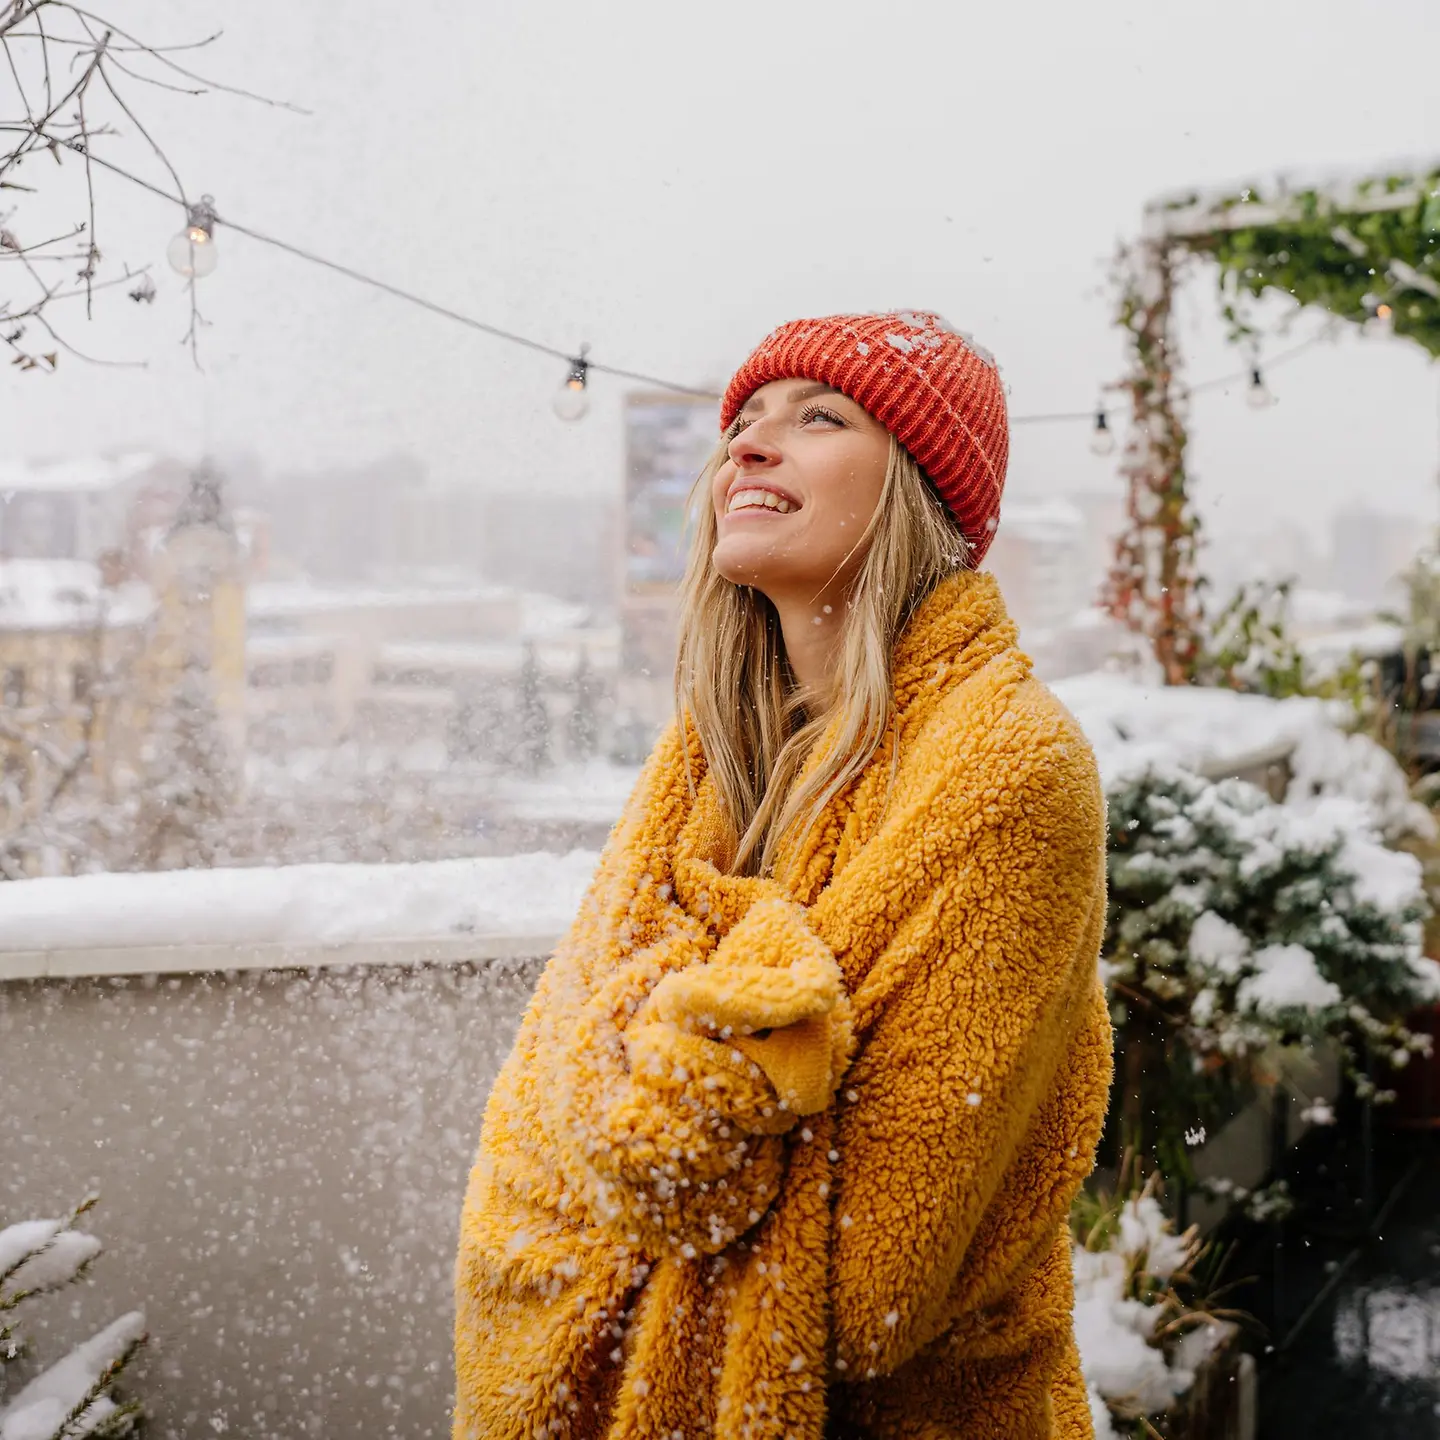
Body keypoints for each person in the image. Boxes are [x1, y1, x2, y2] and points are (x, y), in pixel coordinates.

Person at [455, 310, 1112, 1439]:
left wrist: (680, 1074)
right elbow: (533, 1132)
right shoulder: (709, 759)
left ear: (920, 490)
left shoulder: (1013, 771)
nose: (749, 446)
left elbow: (869, 1288)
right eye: (745, 421)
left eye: (820, 418)